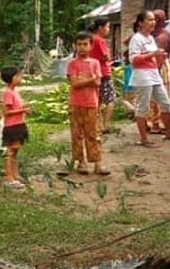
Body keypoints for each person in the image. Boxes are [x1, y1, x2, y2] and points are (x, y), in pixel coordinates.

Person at [129, 11, 170, 148]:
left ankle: (168, 132)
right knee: (143, 107)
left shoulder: (150, 38)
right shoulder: (136, 39)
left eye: (153, 20)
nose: (153, 22)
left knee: (165, 103)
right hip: (142, 76)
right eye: (149, 20)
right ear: (141, 23)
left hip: (154, 74)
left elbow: (151, 58)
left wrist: (159, 57)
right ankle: (144, 138)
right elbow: (133, 59)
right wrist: (152, 54)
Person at [68, 31, 109, 176]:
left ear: (91, 46)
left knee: (93, 134)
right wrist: (90, 80)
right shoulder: (72, 64)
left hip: (91, 103)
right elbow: (74, 83)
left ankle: (97, 163)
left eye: (85, 44)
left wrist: (86, 81)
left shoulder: (95, 63)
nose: (82, 47)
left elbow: (98, 82)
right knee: (77, 134)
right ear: (75, 46)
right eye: (79, 44)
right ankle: (81, 162)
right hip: (75, 104)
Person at [1, 66, 30, 189]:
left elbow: (15, 107)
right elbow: (7, 112)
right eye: (18, 76)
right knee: (10, 152)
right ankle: (9, 178)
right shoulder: (8, 92)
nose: (20, 78)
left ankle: (15, 174)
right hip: (12, 126)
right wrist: (23, 110)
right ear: (11, 78)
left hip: (19, 124)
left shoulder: (14, 91)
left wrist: (23, 106)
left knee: (15, 151)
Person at [146, 9, 170, 133]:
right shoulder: (150, 34)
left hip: (159, 67)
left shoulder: (162, 35)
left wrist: (155, 70)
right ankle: (155, 123)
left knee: (160, 94)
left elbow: (161, 55)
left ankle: (159, 123)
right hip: (153, 65)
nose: (154, 22)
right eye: (151, 19)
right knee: (154, 95)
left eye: (156, 19)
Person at [89, 18, 116, 134]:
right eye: (107, 27)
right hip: (104, 72)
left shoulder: (90, 39)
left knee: (97, 99)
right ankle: (105, 125)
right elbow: (107, 57)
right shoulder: (100, 40)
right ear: (100, 27)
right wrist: (107, 58)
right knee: (110, 98)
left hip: (93, 72)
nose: (108, 30)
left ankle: (96, 124)